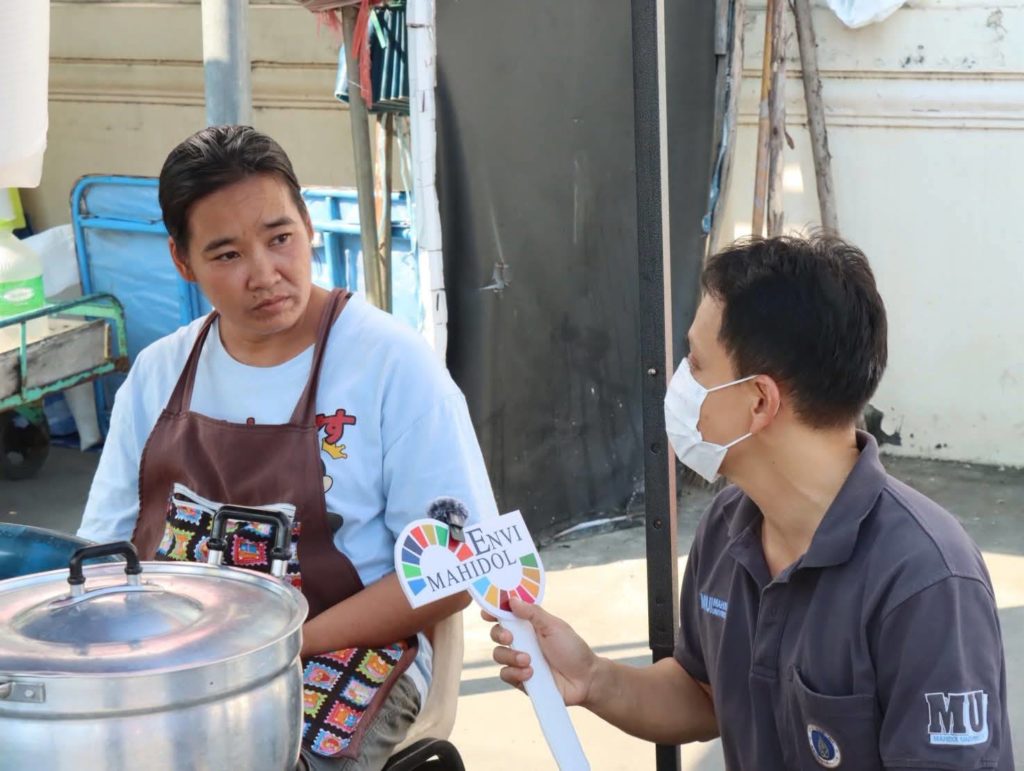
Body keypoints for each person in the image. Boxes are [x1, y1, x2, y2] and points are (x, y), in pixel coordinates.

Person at [489, 235, 1014, 769]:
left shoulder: (926, 580)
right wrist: (594, 678)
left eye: (696, 363)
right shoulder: (729, 526)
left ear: (760, 400)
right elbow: (704, 693)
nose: (679, 384)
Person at [78, 125, 498, 771]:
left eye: (280, 238)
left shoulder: (390, 364)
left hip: (348, 652)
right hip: (181, 657)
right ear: (182, 262)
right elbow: (104, 556)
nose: (265, 275)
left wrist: (281, 645)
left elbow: (453, 570)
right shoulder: (160, 373)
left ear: (307, 225)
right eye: (227, 254)